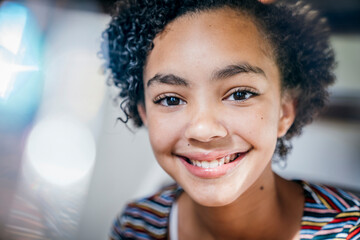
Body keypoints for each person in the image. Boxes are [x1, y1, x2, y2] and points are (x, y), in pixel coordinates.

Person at [102, 0, 360, 239]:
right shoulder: (135, 226)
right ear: (145, 113)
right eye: (171, 100)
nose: (203, 130)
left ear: (285, 110)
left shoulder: (348, 232)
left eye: (239, 94)